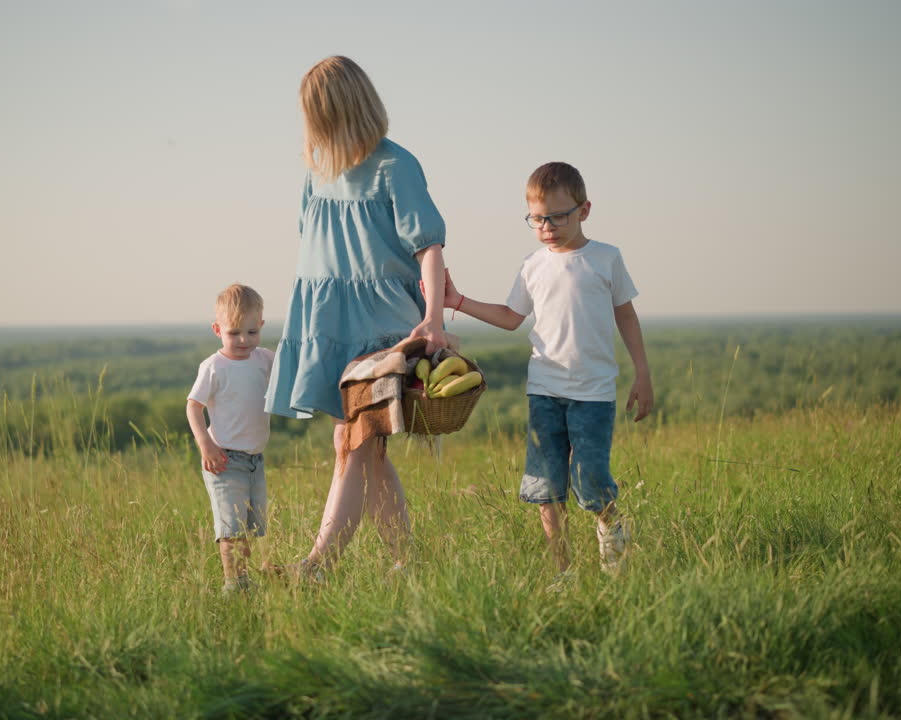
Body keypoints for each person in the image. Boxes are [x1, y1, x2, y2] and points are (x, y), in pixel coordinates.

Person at [265, 56, 448, 577]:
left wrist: (433, 319)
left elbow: (429, 246)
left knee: (356, 441)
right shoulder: (316, 173)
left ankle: (318, 563)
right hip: (329, 324)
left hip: (380, 325)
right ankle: (406, 563)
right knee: (359, 445)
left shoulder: (396, 165)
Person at [442, 162, 653, 580]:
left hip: (594, 392)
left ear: (585, 209)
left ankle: (613, 540)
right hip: (544, 389)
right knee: (545, 487)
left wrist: (642, 373)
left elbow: (626, 317)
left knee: (591, 480)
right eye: (537, 219)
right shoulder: (532, 264)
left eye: (559, 216)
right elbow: (509, 316)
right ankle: (564, 570)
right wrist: (457, 300)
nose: (549, 226)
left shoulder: (606, 258)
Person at [187, 284, 276, 593]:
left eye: (251, 332)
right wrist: (205, 444)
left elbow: (292, 371)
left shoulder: (264, 359)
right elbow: (193, 407)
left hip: (255, 460)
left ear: (261, 326)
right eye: (234, 332)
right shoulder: (214, 367)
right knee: (230, 529)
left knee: (247, 529)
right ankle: (233, 587)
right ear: (217, 329)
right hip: (223, 459)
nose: (243, 340)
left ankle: (245, 581)